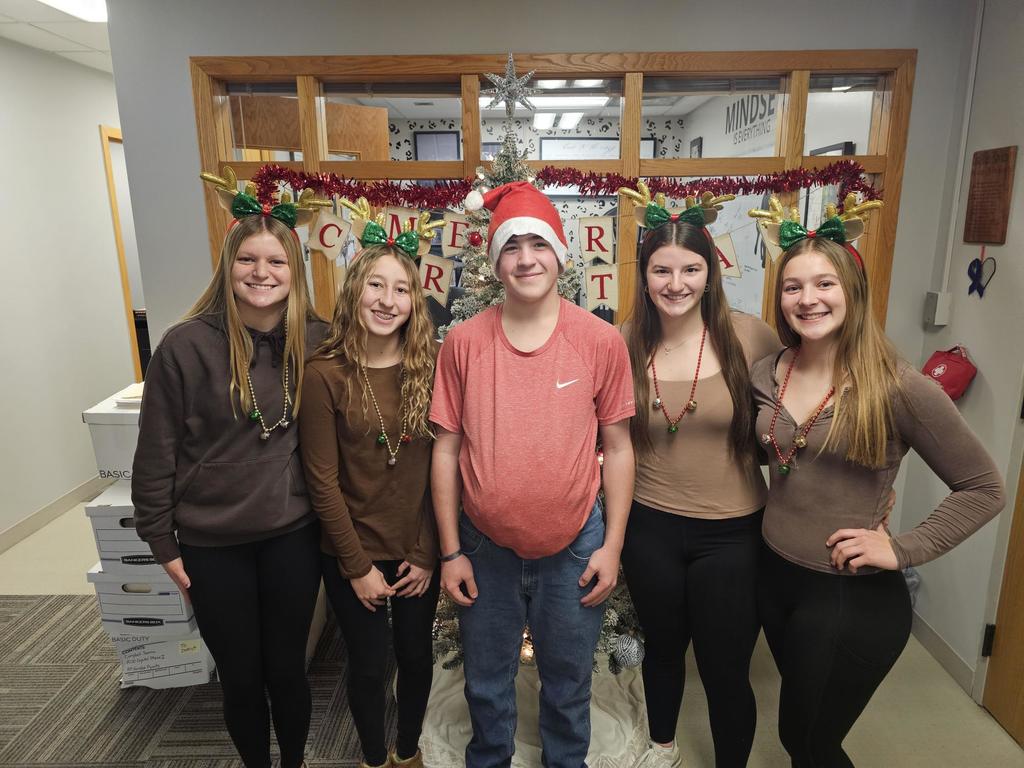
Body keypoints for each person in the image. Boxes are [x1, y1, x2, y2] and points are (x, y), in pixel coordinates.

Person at [748, 196, 1005, 767]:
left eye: (824, 284)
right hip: (774, 577)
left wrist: (902, 547)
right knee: (806, 735)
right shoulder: (767, 372)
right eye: (793, 287)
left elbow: (985, 488)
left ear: (853, 292)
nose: (808, 299)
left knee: (807, 741)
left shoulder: (900, 388)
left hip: (848, 594)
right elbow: (758, 450)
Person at [430, 181, 636, 768]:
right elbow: (445, 450)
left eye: (538, 244)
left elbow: (617, 449)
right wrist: (450, 552)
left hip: (575, 547)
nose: (526, 258)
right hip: (483, 548)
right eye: (511, 246)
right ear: (494, 261)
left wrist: (613, 545)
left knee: (569, 689)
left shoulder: (599, 340)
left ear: (561, 254)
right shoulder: (464, 343)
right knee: (486, 688)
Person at [132, 170, 328, 768]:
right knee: (241, 678)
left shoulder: (317, 341)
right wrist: (162, 543)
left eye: (276, 261)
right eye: (248, 258)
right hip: (210, 543)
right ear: (228, 264)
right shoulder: (185, 346)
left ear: (296, 271)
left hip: (291, 534)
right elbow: (155, 452)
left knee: (287, 672)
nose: (261, 272)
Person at [617, 186, 780, 768]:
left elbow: (801, 412)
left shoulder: (751, 336)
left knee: (724, 666)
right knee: (662, 650)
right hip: (649, 525)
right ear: (646, 274)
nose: (676, 283)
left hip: (733, 532)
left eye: (691, 269)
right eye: (662, 269)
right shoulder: (626, 341)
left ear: (711, 273)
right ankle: (663, 750)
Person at [298, 216, 441, 768]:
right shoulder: (325, 374)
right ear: (355, 292)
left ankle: (408, 752)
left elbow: (442, 470)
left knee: (415, 655)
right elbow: (322, 481)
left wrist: (427, 551)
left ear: (414, 301)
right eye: (376, 286)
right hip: (350, 550)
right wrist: (356, 566)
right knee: (365, 662)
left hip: (415, 552)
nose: (387, 300)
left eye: (401, 288)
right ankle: (374, 758)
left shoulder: (429, 370)